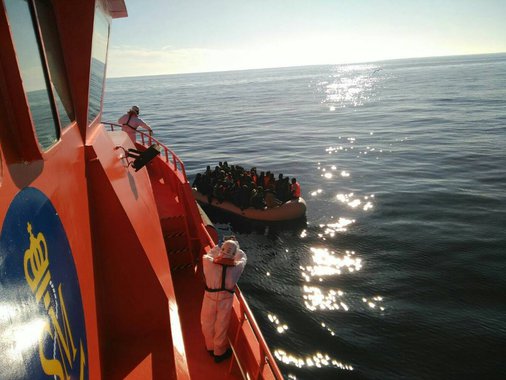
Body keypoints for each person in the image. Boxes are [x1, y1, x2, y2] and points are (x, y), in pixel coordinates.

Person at [200, 238, 247, 363]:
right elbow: (242, 257)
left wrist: (218, 246)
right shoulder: (237, 268)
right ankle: (219, 352)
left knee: (207, 322)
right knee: (222, 325)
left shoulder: (208, 262)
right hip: (225, 300)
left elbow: (210, 254)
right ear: (234, 254)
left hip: (209, 297)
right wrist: (236, 245)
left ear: (221, 251)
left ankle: (209, 347)